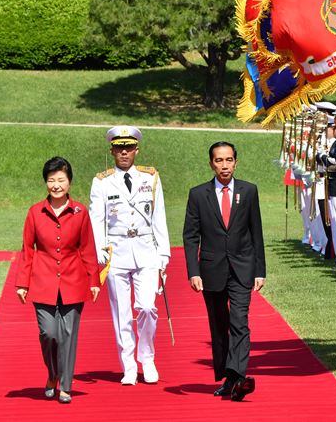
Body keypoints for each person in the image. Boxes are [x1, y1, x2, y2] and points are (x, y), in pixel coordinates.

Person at [183, 141, 266, 402]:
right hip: (211, 270)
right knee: (219, 326)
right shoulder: (198, 195)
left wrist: (260, 270)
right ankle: (228, 378)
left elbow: (256, 233)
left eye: (229, 160)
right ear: (211, 164)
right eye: (219, 160)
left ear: (236, 162)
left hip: (242, 268)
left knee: (239, 322)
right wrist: (193, 271)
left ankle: (239, 377)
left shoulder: (249, 191)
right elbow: (190, 236)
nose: (224, 165)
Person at [89, 126, 171, 385]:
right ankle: (128, 365)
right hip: (117, 252)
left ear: (137, 149)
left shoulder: (151, 177)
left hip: (146, 251)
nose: (123, 152)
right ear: (111, 150)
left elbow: (159, 217)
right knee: (121, 312)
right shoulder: (102, 181)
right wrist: (100, 248)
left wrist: (164, 254)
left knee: (147, 307)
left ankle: (147, 358)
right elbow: (97, 218)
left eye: (128, 147)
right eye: (118, 147)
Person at [16, 157, 100, 404]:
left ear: (69, 182)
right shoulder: (35, 212)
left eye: (61, 180)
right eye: (51, 180)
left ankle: (65, 385)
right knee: (49, 333)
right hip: (42, 282)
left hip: (74, 281)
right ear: (46, 183)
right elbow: (27, 250)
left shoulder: (80, 212)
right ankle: (52, 374)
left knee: (68, 334)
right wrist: (22, 283)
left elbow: (87, 248)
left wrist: (94, 280)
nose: (56, 185)